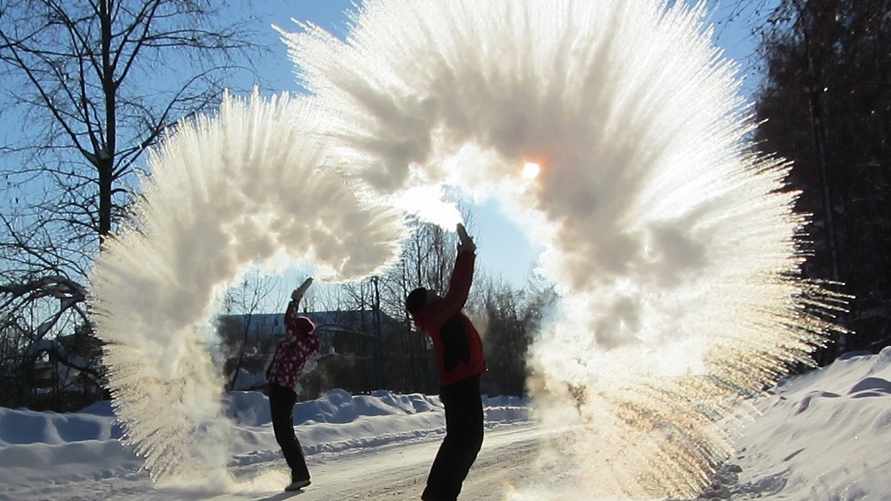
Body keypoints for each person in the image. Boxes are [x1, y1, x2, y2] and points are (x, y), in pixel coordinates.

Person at [405, 223, 486, 501]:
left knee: (460, 442)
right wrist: (466, 252)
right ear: (425, 303)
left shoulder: (435, 315)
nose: (435, 294)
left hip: (460, 385)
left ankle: (436, 495)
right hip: (460, 386)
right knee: (466, 442)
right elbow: (459, 290)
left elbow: (454, 294)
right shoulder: (437, 313)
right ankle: (438, 496)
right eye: (430, 295)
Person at [265, 277, 319, 492]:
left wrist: (294, 300)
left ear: (298, 330)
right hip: (283, 391)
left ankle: (300, 475)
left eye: (294, 327)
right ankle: (300, 474)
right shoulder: (301, 344)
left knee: (284, 435)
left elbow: (289, 320)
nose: (289, 329)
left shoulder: (297, 342)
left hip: (282, 392)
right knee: (285, 434)